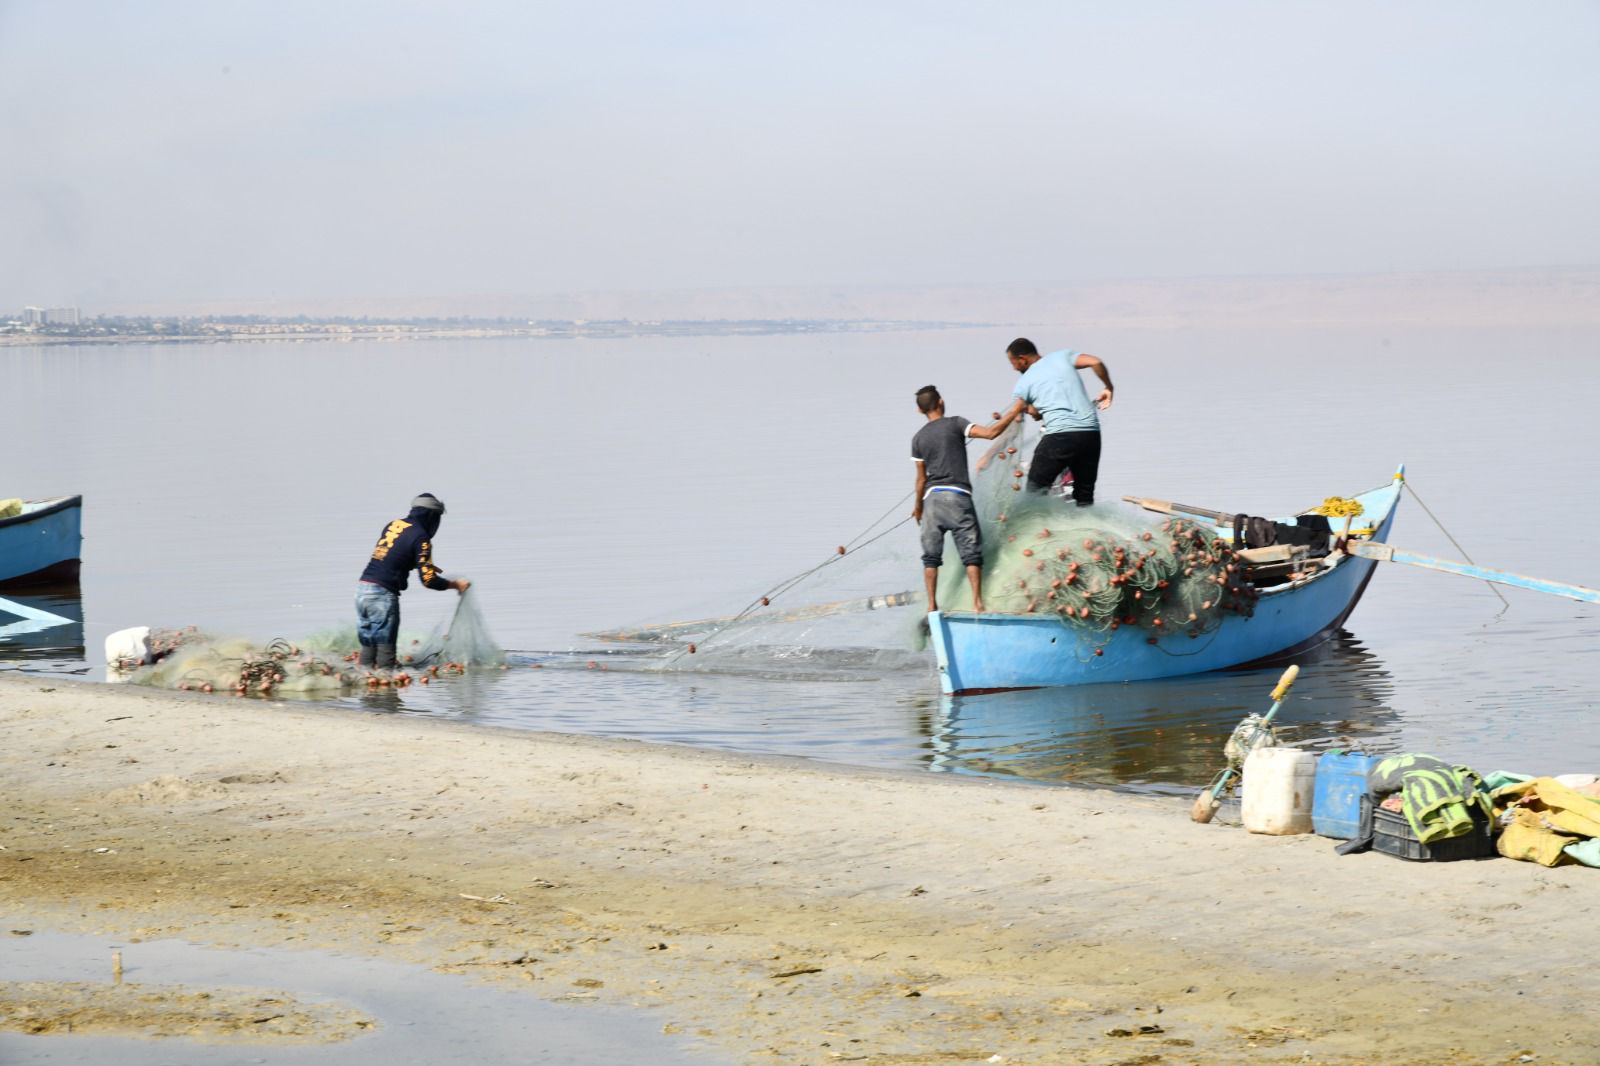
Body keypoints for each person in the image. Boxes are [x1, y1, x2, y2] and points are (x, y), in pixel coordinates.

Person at [911, 386, 1020, 613]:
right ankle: (977, 604)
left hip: (932, 501)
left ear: (919, 410)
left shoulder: (918, 438)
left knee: (930, 558)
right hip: (959, 498)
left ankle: (932, 606)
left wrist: (918, 508)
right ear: (941, 402)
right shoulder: (956, 423)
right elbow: (991, 433)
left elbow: (921, 479)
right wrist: (1015, 411)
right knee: (971, 555)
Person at [356, 493, 470, 670]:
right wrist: (455, 585)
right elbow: (428, 580)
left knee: (367, 652)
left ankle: (365, 686)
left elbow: (391, 556)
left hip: (363, 590)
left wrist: (418, 562)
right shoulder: (421, 537)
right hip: (383, 596)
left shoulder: (393, 525)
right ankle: (387, 694)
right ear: (431, 516)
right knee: (386, 656)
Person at [998, 338, 1114, 505]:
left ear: (1022, 359)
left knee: (1034, 491)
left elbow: (1032, 412)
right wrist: (1109, 387)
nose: (1013, 368)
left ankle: (1040, 527)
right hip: (1091, 433)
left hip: (1060, 436)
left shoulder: (1023, 383)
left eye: (1013, 363)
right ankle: (1087, 526)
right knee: (1085, 494)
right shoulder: (1062, 357)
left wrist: (1028, 410)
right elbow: (1096, 361)